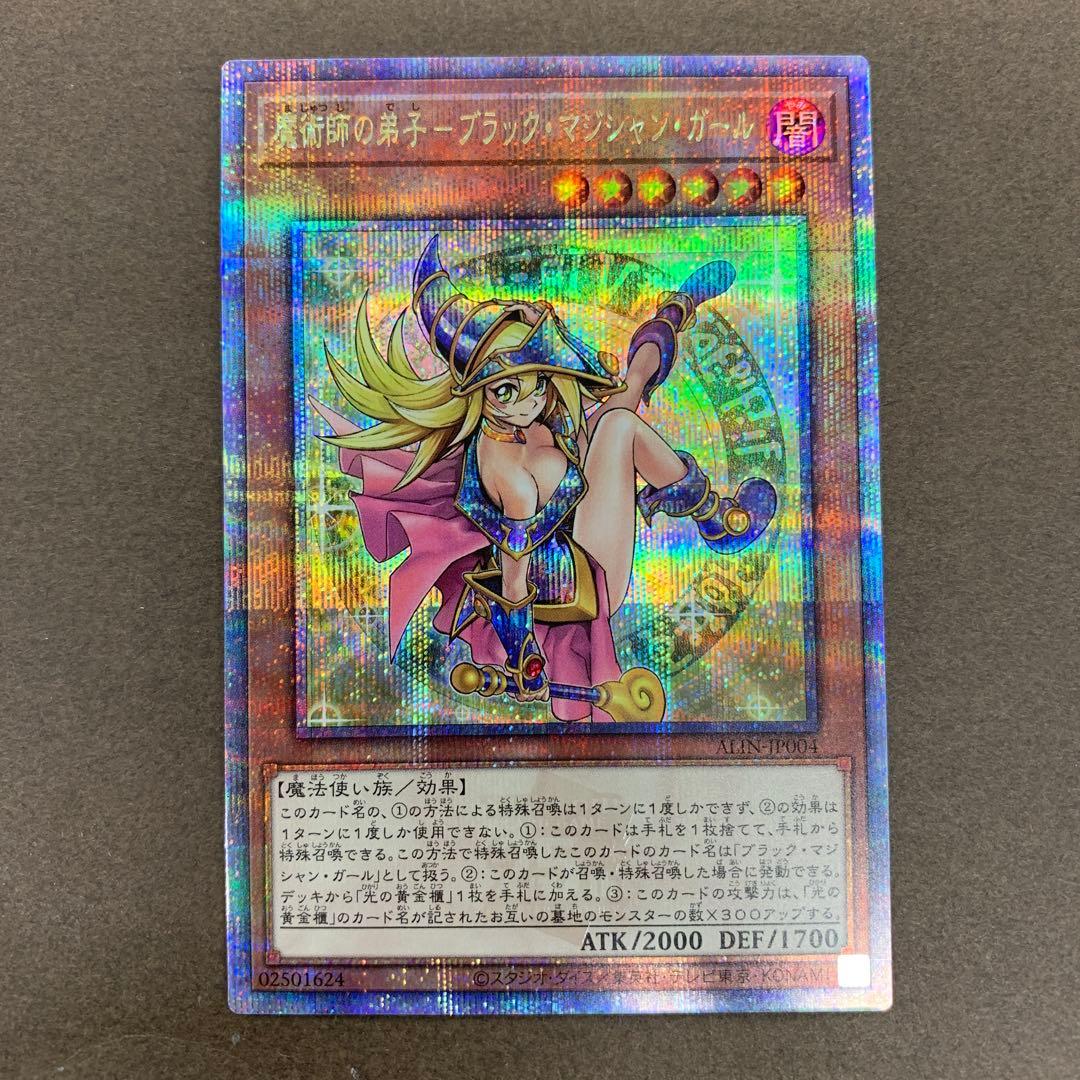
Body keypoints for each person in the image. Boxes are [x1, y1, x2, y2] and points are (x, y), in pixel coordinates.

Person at [310, 236, 776, 721]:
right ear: (479, 391)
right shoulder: (508, 476)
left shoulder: (524, 420)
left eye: (536, 381)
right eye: (507, 390)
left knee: (628, 390)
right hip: (585, 575)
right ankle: (719, 520)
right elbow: (515, 578)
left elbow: (569, 417)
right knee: (620, 425)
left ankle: (673, 312)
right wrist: (522, 653)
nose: (531, 399)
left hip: (580, 516)